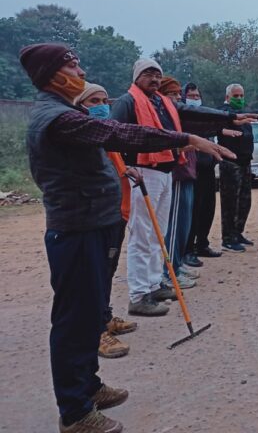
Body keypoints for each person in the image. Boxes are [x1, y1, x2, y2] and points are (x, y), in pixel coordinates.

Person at [19, 43, 235, 433]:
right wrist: (184, 140)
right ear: (53, 73)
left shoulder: (66, 112)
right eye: (72, 64)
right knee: (75, 321)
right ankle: (75, 412)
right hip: (77, 228)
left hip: (93, 223)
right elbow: (120, 133)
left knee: (90, 314)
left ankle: (89, 386)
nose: (80, 69)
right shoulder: (58, 118)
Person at [111, 61, 258, 316]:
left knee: (160, 232)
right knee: (142, 234)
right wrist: (123, 166)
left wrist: (231, 117)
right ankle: (138, 294)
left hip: (166, 170)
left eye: (158, 75)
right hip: (142, 171)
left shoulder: (163, 103)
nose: (154, 79)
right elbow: (113, 136)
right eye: (148, 74)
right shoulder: (127, 102)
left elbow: (196, 116)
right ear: (136, 77)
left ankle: (154, 284)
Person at [75, 83, 137, 360]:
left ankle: (105, 316)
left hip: (117, 211)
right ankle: (95, 331)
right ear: (80, 106)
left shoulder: (105, 135)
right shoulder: (81, 137)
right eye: (93, 101)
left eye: (103, 100)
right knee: (93, 275)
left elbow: (115, 163)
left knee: (108, 270)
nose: (101, 105)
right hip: (96, 215)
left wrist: (128, 170)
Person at [158, 76, 199, 290]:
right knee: (174, 225)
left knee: (184, 224)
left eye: (177, 94)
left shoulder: (177, 116)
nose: (175, 98)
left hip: (188, 173)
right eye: (170, 94)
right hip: (177, 174)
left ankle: (177, 263)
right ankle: (169, 271)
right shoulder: (162, 117)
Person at [183, 82, 222, 262]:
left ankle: (202, 244)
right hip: (192, 171)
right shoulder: (184, 121)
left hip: (208, 170)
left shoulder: (204, 121)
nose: (195, 100)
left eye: (197, 97)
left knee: (208, 208)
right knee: (193, 211)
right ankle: (188, 249)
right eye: (191, 96)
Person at [217, 83, 255, 252]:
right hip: (230, 164)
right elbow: (219, 130)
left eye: (241, 96)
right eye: (236, 96)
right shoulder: (223, 114)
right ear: (227, 98)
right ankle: (228, 238)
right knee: (230, 203)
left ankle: (238, 232)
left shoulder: (243, 115)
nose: (239, 99)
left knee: (245, 201)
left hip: (245, 163)